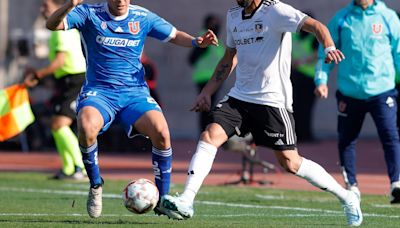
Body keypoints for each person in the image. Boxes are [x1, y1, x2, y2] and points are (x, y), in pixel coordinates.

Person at [160, 0, 362, 226]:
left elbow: (316, 26)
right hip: (240, 97)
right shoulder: (234, 15)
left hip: (273, 100)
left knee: (290, 163)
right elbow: (229, 58)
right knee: (209, 135)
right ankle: (187, 200)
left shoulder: (276, 10)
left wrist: (329, 47)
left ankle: (346, 196)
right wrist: (207, 92)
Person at [45, 0, 218, 219]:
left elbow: (174, 35)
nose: (120, 1)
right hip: (100, 93)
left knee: (162, 132)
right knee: (86, 126)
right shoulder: (88, 13)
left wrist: (197, 42)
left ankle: (163, 199)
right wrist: (70, 5)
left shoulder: (142, 17)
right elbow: (52, 25)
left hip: (134, 94)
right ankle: (96, 185)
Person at [314, 0, 400, 204]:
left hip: (382, 90)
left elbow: (398, 53)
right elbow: (324, 53)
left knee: (390, 135)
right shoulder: (341, 19)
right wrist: (321, 80)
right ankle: (351, 186)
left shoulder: (388, 17)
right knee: (346, 140)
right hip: (349, 92)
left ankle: (396, 184)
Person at [24, 0, 86, 180]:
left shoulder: (62, 28)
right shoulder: (56, 30)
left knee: (59, 124)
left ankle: (79, 167)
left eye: (46, 6)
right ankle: (68, 169)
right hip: (66, 81)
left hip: (76, 80)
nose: (42, 9)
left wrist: (39, 75)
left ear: (58, 7)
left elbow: (59, 61)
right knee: (55, 125)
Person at [189, 14, 225, 132]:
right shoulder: (206, 38)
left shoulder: (215, 40)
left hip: (214, 78)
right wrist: (202, 49)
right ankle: (205, 134)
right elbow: (192, 58)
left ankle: (206, 133)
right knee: (206, 108)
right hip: (206, 78)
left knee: (208, 108)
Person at [291, 11, 319, 142]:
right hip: (295, 75)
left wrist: (300, 61)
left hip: (308, 76)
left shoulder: (313, 38)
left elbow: (317, 53)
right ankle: (297, 134)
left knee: (306, 107)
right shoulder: (292, 36)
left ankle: (305, 134)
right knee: (295, 106)